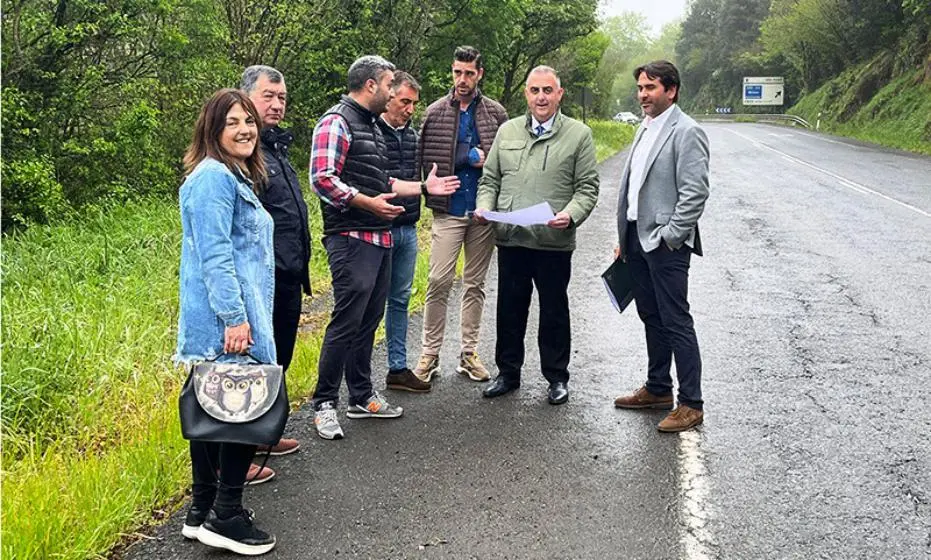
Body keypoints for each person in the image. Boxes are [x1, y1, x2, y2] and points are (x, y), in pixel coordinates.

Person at [309, 55, 459, 440]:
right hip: (350, 238)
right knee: (345, 322)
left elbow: (386, 180)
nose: (395, 92)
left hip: (381, 238)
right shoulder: (336, 122)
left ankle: (360, 397)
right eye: (391, 84)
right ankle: (324, 404)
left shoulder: (373, 127)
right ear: (372, 85)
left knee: (367, 322)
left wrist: (425, 188)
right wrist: (366, 202)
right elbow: (322, 179)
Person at [175, 88, 277, 554]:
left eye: (249, 121)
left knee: (213, 410)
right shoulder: (214, 178)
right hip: (229, 321)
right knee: (239, 411)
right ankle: (228, 515)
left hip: (230, 316)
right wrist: (236, 319)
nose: (245, 130)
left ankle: (202, 509)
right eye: (233, 122)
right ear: (213, 129)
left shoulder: (228, 176)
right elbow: (215, 256)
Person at [474, 66, 599, 405]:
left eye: (547, 90)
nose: (541, 97)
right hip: (512, 238)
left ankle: (557, 377)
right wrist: (485, 207)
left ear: (559, 94)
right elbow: (490, 181)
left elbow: (587, 188)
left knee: (554, 310)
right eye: (534, 90)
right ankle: (508, 374)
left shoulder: (579, 134)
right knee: (510, 308)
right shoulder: (507, 131)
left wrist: (570, 215)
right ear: (526, 94)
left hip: (553, 242)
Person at [612, 60, 710, 433]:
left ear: (671, 90)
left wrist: (671, 236)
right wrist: (624, 239)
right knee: (650, 317)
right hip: (637, 240)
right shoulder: (645, 127)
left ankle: (691, 402)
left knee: (675, 320)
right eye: (640, 88)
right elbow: (633, 187)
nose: (642, 95)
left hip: (665, 245)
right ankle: (657, 388)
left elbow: (695, 193)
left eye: (650, 88)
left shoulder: (687, 131)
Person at [414, 45, 508, 385]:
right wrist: (467, 153)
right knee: (438, 280)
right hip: (448, 209)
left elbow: (507, 159)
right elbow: (425, 158)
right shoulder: (436, 112)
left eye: (469, 73)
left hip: (482, 214)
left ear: (479, 73)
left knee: (475, 284)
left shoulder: (496, 114)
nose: (462, 79)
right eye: (457, 72)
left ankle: (468, 353)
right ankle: (429, 353)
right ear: (451, 72)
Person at [240, 65, 302, 475]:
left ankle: (266, 433)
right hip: (263, 277)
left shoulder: (275, 147)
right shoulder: (242, 153)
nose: (277, 105)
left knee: (279, 357)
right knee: (255, 364)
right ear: (247, 98)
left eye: (281, 98)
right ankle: (239, 458)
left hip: (290, 271)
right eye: (268, 97)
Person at [375, 71, 431, 393]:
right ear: (388, 97)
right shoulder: (370, 131)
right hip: (377, 229)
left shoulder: (412, 136)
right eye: (404, 101)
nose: (410, 109)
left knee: (399, 300)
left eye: (413, 103)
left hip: (407, 229)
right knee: (367, 304)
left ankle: (397, 368)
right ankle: (349, 374)